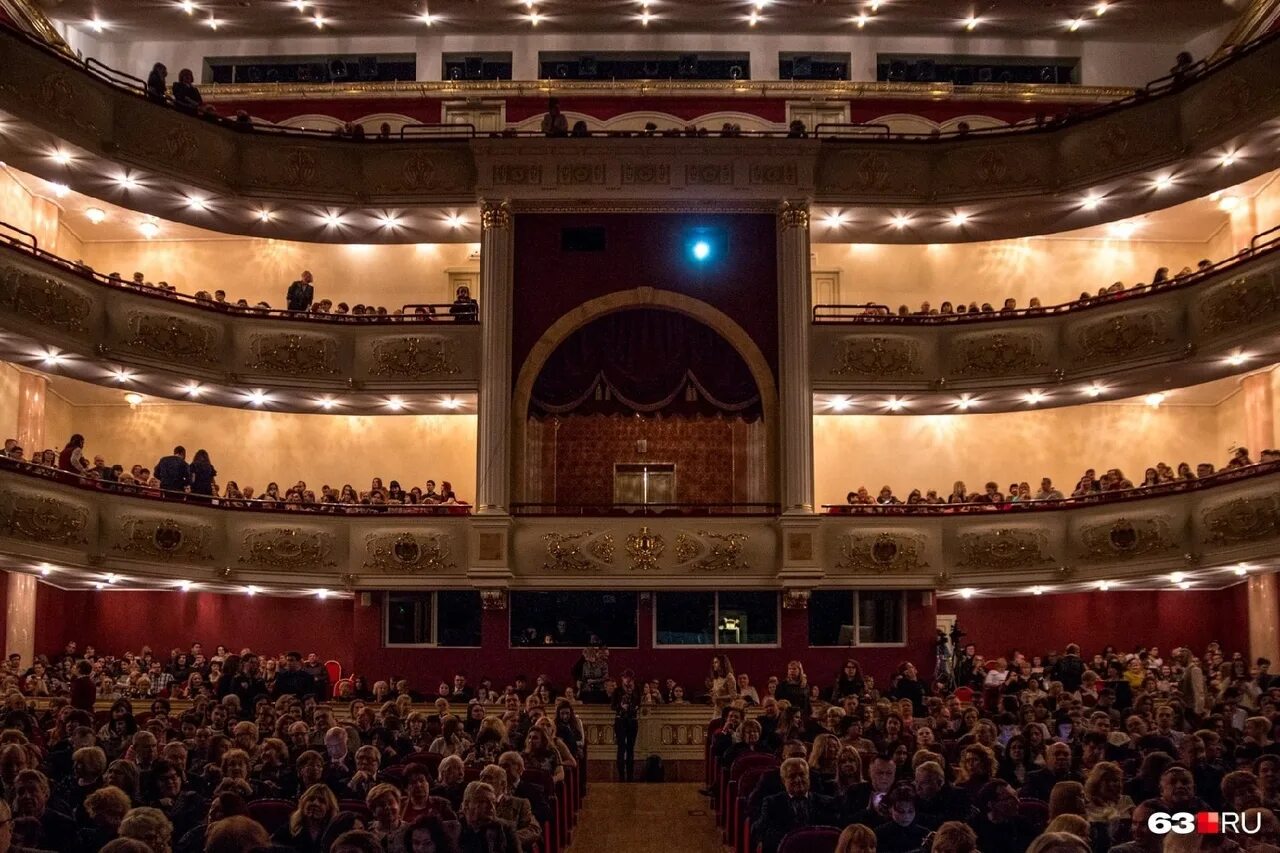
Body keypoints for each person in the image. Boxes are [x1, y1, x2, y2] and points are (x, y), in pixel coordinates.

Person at [753, 757, 838, 853]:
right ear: (783, 780)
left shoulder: (827, 802)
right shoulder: (772, 803)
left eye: (802, 775)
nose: (798, 780)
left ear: (808, 776)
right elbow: (761, 830)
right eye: (792, 776)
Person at [457, 782, 519, 853]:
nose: (491, 807)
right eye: (483, 801)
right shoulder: (453, 829)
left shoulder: (505, 830)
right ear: (467, 805)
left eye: (493, 802)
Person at [611, 670, 641, 782]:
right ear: (622, 678)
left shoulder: (636, 689)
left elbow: (639, 703)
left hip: (632, 720)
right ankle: (621, 777)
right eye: (626, 677)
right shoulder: (617, 691)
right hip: (621, 720)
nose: (628, 680)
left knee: (630, 749)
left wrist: (634, 706)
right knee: (621, 748)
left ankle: (630, 776)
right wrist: (621, 706)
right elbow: (613, 706)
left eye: (630, 678)